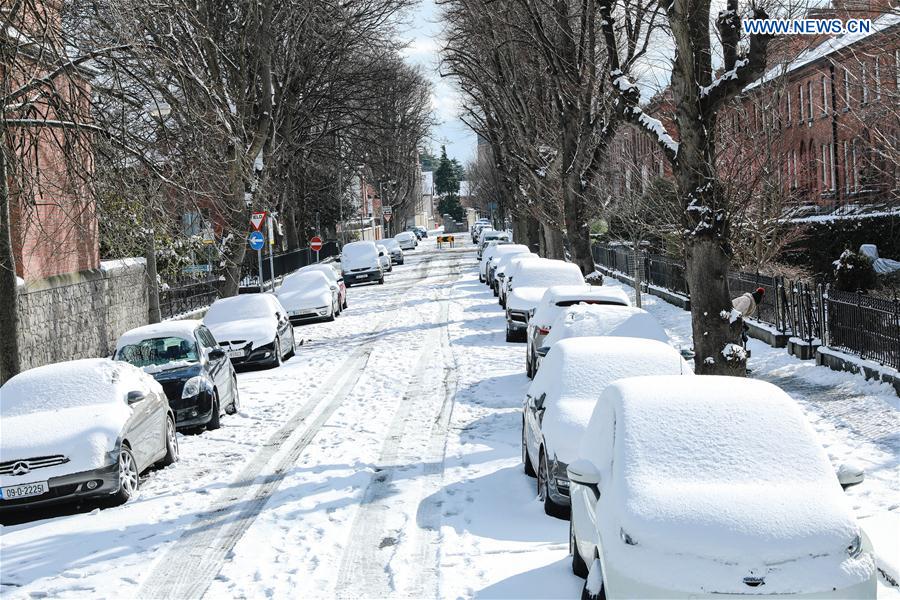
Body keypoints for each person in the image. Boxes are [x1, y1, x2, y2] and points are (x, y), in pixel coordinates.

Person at [732, 287, 765, 360]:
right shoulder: (747, 300)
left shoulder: (752, 303)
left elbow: (741, 315)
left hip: (733, 321)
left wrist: (743, 324)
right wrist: (742, 325)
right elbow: (736, 312)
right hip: (728, 319)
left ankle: (739, 361)